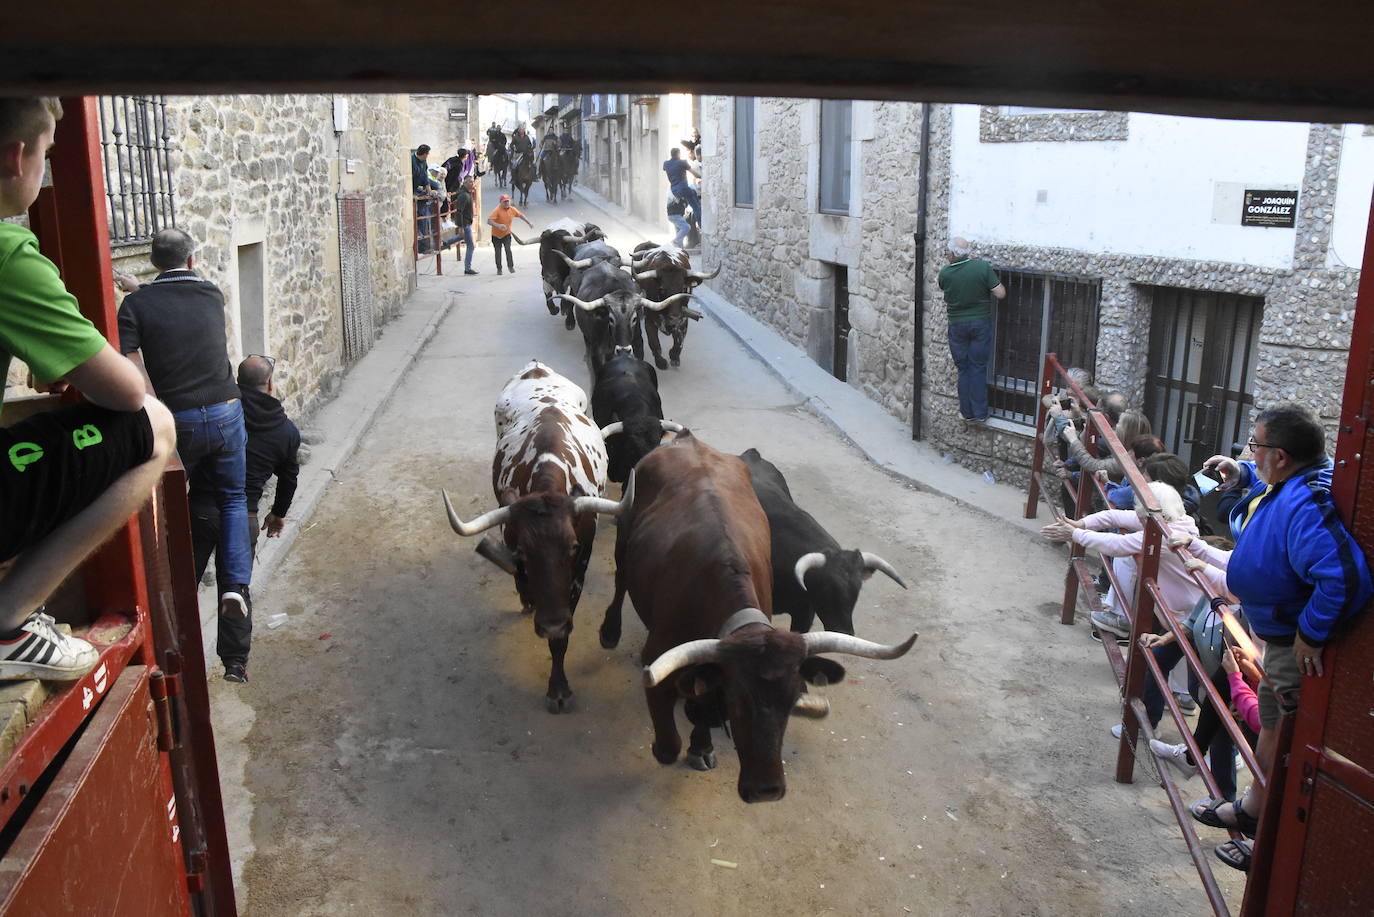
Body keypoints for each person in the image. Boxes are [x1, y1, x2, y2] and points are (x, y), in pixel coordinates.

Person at [0, 97, 176, 681]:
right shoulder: (8, 255)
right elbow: (124, 393)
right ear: (14, 157)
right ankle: (8, 623)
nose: (45, 172)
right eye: (48, 154)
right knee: (153, 426)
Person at [1174, 403, 1372, 871]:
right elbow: (1275, 489)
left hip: (1289, 642)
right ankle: (1254, 809)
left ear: (1281, 456)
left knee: (1279, 731)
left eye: (1255, 446)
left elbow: (1345, 578)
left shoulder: (1309, 502)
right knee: (1270, 720)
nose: (1252, 451)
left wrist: (1310, 631)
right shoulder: (1295, 480)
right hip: (1276, 632)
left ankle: (1257, 819)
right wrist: (1243, 473)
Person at [117, 228, 255, 631]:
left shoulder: (135, 307)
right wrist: (138, 290)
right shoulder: (211, 293)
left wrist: (152, 405)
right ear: (191, 261)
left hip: (179, 420)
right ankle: (235, 587)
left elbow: (130, 356)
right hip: (227, 410)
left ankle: (171, 597)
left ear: (154, 263)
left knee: (172, 506)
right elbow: (175, 298)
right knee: (232, 499)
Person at [188, 355, 299, 684]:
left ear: (237, 380)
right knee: (234, 589)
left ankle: (175, 653)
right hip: (245, 516)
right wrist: (278, 514)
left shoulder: (222, 412)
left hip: (200, 509)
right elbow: (289, 477)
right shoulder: (285, 431)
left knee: (181, 584)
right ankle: (235, 663)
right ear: (269, 384)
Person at [936, 237, 1006, 422]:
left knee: (963, 369)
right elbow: (1000, 294)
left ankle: (967, 413)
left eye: (946, 252)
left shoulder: (945, 273)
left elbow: (943, 287)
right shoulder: (982, 268)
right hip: (980, 324)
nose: (946, 255)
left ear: (952, 254)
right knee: (978, 367)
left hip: (957, 325)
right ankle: (981, 414)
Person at [486, 194, 532, 275]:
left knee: (508, 250)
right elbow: (489, 221)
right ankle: (499, 269)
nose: (506, 203)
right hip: (496, 235)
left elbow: (521, 215)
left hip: (506, 234)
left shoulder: (512, 209)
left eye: (507, 201)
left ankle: (510, 267)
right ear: (501, 202)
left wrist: (529, 223)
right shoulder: (497, 210)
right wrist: (498, 225)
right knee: (498, 252)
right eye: (504, 202)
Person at [662, 147, 702, 236]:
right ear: (678, 154)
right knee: (696, 207)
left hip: (675, 191)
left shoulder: (666, 164)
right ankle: (701, 225)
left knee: (693, 192)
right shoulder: (682, 162)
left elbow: (665, 169)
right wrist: (701, 176)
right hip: (683, 188)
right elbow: (694, 173)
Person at [411, 144, 441, 254]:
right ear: (424, 154)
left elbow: (424, 177)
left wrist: (429, 190)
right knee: (418, 220)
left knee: (424, 219)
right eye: (427, 154)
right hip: (412, 189)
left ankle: (423, 247)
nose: (428, 156)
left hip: (419, 189)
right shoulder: (411, 161)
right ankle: (420, 246)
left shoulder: (423, 162)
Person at [452, 176, 479, 275]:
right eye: (470, 182)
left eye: (473, 182)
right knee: (471, 246)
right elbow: (459, 212)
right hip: (465, 224)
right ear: (465, 183)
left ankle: (444, 243)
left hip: (467, 223)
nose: (472, 184)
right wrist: (461, 227)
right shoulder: (464, 195)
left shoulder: (467, 193)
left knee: (460, 237)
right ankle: (467, 268)